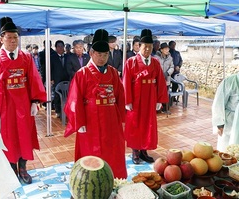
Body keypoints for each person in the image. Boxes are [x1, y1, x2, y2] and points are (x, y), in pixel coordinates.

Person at [0, 17, 46, 184]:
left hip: (24, 106)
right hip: (3, 107)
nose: (13, 41)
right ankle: (11, 169)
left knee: (24, 136)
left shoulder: (26, 57)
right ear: (1, 38)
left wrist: (34, 101)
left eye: (15, 37)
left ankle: (23, 168)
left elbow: (33, 79)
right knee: (8, 137)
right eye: (9, 37)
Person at [64, 29, 127, 179]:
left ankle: (115, 180)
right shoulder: (82, 73)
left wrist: (121, 119)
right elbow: (74, 99)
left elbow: (120, 96)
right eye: (99, 54)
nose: (102, 58)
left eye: (105, 54)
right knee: (91, 152)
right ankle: (90, 183)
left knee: (113, 151)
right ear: (91, 53)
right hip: (90, 121)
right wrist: (79, 122)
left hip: (111, 119)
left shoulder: (112, 73)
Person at [123, 29, 168, 164]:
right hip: (136, 98)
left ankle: (144, 151)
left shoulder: (155, 62)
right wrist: (127, 100)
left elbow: (160, 80)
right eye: (144, 46)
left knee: (148, 124)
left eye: (149, 46)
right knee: (135, 124)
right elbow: (125, 81)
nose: (147, 49)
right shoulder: (131, 62)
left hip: (150, 98)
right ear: (139, 47)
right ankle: (135, 152)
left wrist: (160, 99)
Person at [51, 40, 69, 118]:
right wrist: (51, 78)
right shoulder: (52, 57)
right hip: (57, 79)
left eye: (62, 46)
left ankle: (67, 110)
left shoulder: (68, 56)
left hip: (67, 78)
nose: (61, 48)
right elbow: (50, 69)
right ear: (56, 48)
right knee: (57, 95)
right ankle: (58, 111)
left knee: (67, 95)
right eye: (59, 46)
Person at [155, 42, 174, 113]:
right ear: (161, 50)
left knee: (165, 94)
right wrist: (160, 74)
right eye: (165, 49)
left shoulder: (170, 58)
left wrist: (167, 73)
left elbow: (172, 67)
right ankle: (156, 109)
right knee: (157, 94)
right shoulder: (156, 57)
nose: (167, 50)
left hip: (166, 79)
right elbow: (154, 67)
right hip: (158, 79)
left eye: (168, 49)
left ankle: (165, 109)